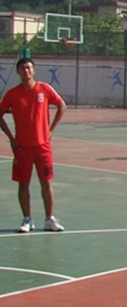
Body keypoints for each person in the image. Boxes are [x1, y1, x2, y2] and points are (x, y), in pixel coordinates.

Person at [0, 57, 66, 233]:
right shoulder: (12, 94)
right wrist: (11, 138)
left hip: (42, 146)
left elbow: (61, 106)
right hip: (22, 147)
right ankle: (27, 219)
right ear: (18, 72)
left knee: (46, 182)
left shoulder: (44, 89)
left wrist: (51, 130)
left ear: (34, 70)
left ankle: (49, 219)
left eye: (29, 68)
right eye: (22, 68)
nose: (26, 71)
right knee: (23, 184)